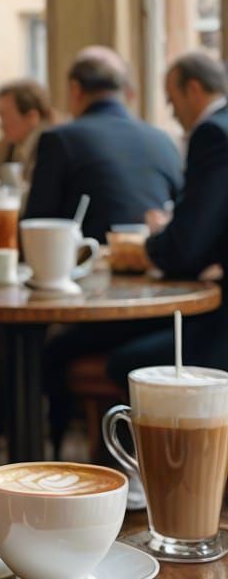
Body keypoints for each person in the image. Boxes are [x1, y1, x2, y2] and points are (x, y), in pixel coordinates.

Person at [97, 51, 228, 378]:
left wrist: (155, 239)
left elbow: (183, 252)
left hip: (221, 332)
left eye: (172, 102)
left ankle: (128, 430)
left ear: (194, 89)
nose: (173, 114)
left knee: (123, 364)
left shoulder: (212, 133)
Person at [23, 46, 181, 241]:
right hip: (156, 263)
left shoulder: (59, 140)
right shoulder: (162, 140)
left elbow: (36, 226)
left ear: (75, 89)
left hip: (88, 264)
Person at [0, 78, 54, 187]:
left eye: (4, 116)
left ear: (32, 117)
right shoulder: (16, 143)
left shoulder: (50, 148)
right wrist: (3, 143)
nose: (1, 125)